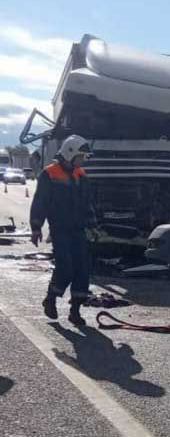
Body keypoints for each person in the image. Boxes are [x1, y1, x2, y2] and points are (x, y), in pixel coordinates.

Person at [30, 135, 94, 326]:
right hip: (60, 230)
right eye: (80, 156)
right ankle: (50, 299)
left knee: (82, 270)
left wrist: (94, 226)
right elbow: (40, 202)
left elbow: (87, 204)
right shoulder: (50, 174)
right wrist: (36, 227)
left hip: (78, 230)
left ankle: (75, 311)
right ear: (69, 153)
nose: (82, 161)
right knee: (65, 268)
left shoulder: (81, 175)